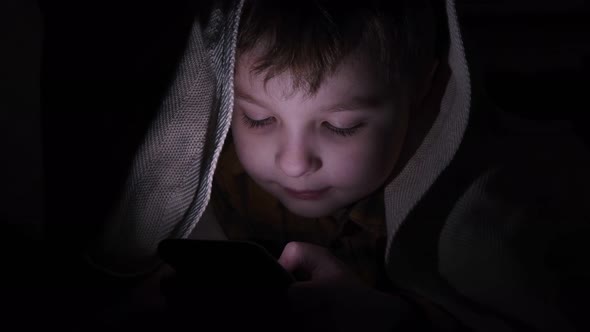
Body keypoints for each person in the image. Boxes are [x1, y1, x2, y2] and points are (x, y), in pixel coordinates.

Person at [88, 0, 590, 331]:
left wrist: (395, 321)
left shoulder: (489, 206)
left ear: (425, 96)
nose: (292, 162)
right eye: (259, 118)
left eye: (342, 126)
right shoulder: (209, 182)